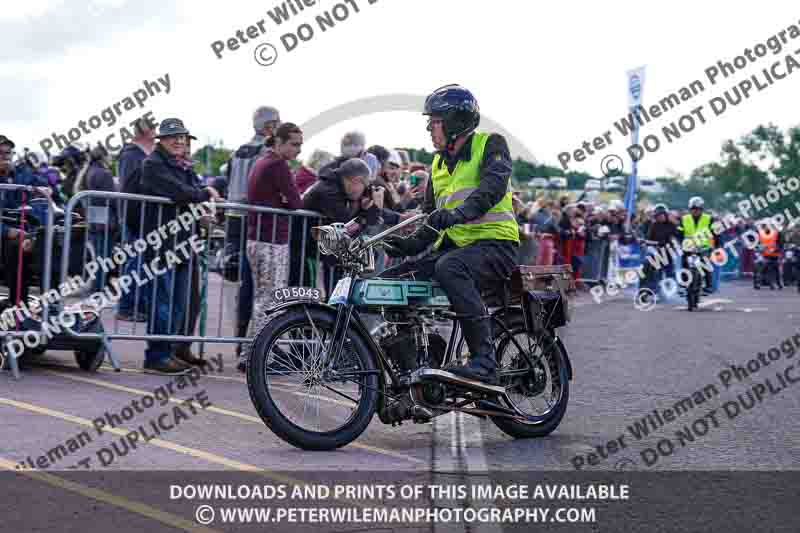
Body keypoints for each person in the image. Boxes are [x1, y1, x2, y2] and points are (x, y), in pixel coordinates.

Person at [381, 84, 518, 385]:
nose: (430, 128)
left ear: (456, 121)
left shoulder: (490, 145)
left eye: (436, 121)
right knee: (393, 279)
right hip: (457, 248)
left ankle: (485, 363)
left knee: (449, 267)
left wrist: (459, 213)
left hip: (495, 245)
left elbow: (492, 188)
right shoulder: (438, 164)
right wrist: (405, 245)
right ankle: (417, 363)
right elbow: (432, 220)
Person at [138, 118, 220, 375]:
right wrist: (206, 194)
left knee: (186, 302)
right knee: (165, 302)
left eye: (182, 137)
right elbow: (182, 192)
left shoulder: (180, 164)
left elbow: (191, 189)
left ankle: (176, 349)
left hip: (184, 241)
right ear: (160, 140)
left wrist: (202, 201)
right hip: (162, 243)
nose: (179, 141)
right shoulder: (153, 164)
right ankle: (157, 356)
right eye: (173, 137)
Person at [240, 123, 304, 371]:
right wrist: (287, 201)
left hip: (259, 238)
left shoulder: (263, 161)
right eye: (294, 144)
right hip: (270, 240)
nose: (298, 149)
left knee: (263, 299)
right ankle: (255, 356)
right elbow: (296, 201)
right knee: (269, 301)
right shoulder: (277, 165)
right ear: (279, 142)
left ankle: (251, 353)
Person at [227, 106, 280, 360]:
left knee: (246, 284)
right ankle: (256, 344)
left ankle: (242, 341)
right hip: (254, 222)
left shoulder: (238, 151)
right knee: (258, 285)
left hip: (234, 219)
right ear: (269, 126)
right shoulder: (265, 153)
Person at [303, 158, 393, 295]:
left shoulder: (335, 187)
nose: (365, 191)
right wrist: (374, 209)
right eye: (366, 185)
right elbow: (346, 228)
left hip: (320, 249)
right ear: (356, 181)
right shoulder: (329, 192)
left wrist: (365, 210)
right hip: (307, 251)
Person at [0, 135, 50, 307]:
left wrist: (41, 189)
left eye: (8, 153)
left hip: (16, 231)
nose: (5, 157)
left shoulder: (18, 176)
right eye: (1, 153)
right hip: (5, 231)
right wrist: (6, 231)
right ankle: (17, 303)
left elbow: (37, 190)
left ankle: (22, 305)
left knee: (42, 240)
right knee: (16, 242)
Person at [117, 117, 156, 321]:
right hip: (135, 217)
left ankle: (135, 305)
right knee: (134, 263)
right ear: (145, 131)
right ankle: (126, 307)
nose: (156, 132)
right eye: (153, 128)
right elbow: (130, 188)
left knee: (139, 263)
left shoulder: (136, 154)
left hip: (141, 216)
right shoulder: (132, 155)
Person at [81, 144, 119, 294]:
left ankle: (97, 285)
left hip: (94, 217)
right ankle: (98, 287)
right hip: (106, 219)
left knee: (99, 255)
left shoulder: (89, 171)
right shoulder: (104, 173)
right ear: (103, 156)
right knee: (104, 256)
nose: (110, 158)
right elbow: (112, 199)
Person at [677, 196, 715, 295]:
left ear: (702, 209)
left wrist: (718, 245)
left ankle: (708, 285)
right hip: (688, 247)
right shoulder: (684, 219)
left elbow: (716, 233)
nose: (695, 211)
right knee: (684, 263)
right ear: (690, 209)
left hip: (704, 247)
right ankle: (683, 286)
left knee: (706, 263)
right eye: (693, 209)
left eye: (698, 209)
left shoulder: (709, 219)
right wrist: (678, 243)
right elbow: (679, 234)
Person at [755, 221, 783, 290]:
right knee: (762, 269)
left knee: (775, 269)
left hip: (774, 254)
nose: (766, 227)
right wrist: (759, 249)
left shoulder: (777, 233)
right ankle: (758, 283)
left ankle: (778, 284)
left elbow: (780, 244)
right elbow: (757, 244)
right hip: (764, 254)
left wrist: (777, 249)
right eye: (764, 226)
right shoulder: (760, 234)